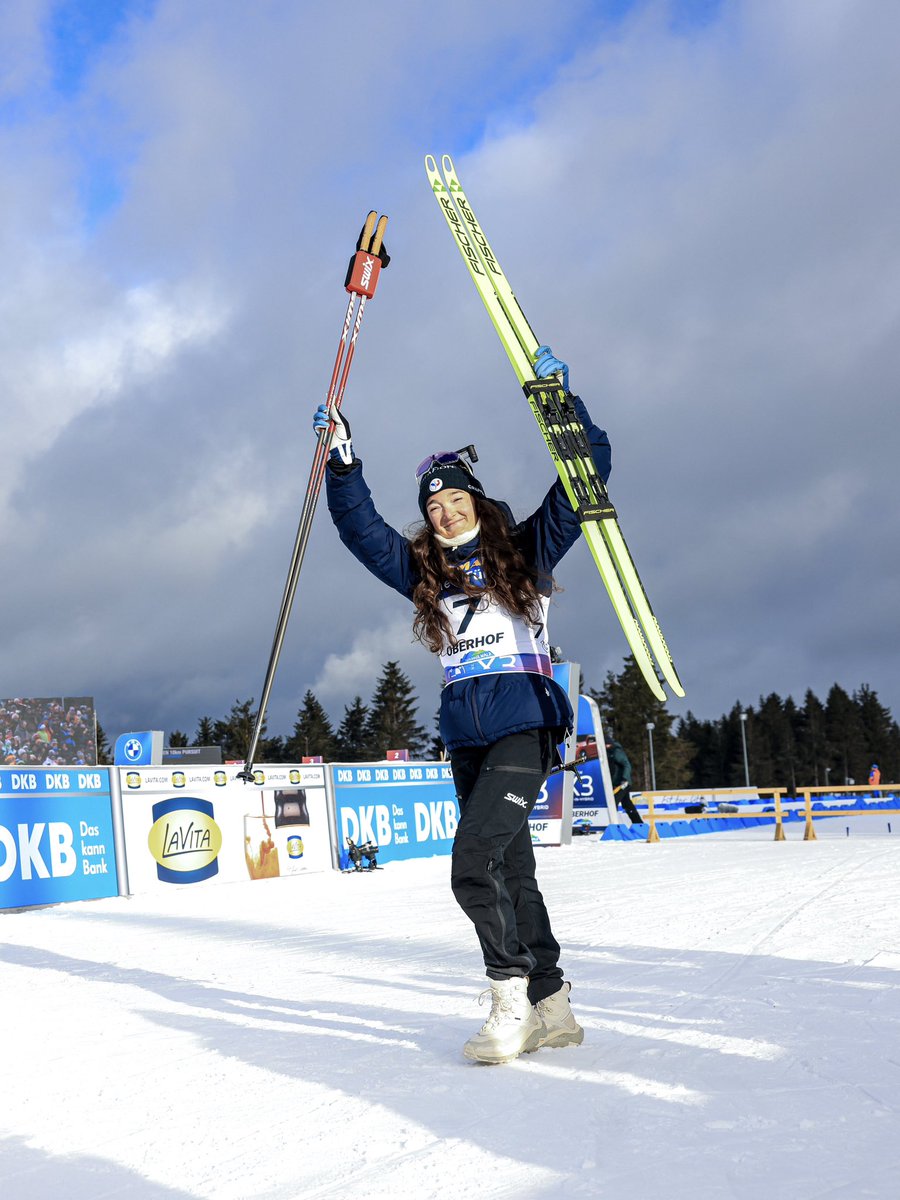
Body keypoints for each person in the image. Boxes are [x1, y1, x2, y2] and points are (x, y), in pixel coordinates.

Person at [316, 346, 607, 1064]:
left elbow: (584, 476)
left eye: (455, 500)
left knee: (471, 864)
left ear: (476, 501)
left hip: (526, 726)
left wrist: (562, 408)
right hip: (468, 735)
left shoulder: (528, 549)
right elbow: (361, 531)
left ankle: (507, 997)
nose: (444, 513)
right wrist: (343, 465)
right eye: (434, 506)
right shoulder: (424, 573)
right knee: (513, 872)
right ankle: (552, 1005)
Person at [605, 738, 642, 824]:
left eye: (607, 745)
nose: (606, 746)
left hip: (623, 783)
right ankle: (638, 823)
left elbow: (626, 764)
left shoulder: (616, 752)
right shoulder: (607, 753)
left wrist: (625, 778)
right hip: (617, 783)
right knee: (626, 803)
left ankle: (612, 823)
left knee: (614, 801)